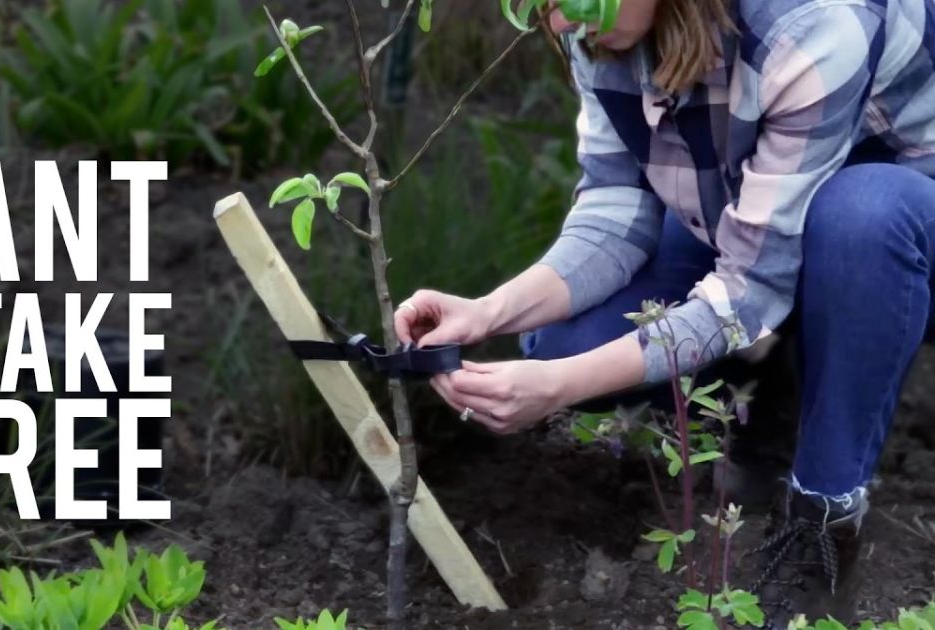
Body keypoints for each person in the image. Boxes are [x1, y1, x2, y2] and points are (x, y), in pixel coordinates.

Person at [394, 0, 935, 624]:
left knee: (858, 218)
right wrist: (489, 312)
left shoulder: (808, 25)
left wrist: (559, 390)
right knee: (561, 344)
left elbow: (749, 289)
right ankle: (774, 394)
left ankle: (824, 515)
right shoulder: (597, 26)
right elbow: (616, 209)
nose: (563, 25)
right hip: (764, 210)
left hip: (898, 216)